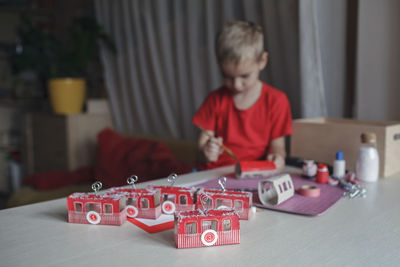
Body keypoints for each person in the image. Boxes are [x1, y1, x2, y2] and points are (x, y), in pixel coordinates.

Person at [192, 20, 292, 172]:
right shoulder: (215, 100)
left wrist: (277, 157)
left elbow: (278, 147)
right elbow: (201, 147)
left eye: (244, 76)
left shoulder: (276, 101)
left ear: (262, 61)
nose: (237, 84)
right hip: (215, 173)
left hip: (253, 172)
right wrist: (206, 151)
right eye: (227, 76)